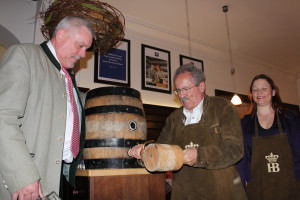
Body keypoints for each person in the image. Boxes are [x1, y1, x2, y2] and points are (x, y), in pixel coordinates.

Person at [0, 16, 95, 200]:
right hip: (26, 180)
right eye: (80, 46)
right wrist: (23, 176)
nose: (84, 54)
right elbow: (3, 116)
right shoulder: (24, 55)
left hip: (59, 178)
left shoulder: (66, 76)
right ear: (61, 35)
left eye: (86, 49)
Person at [129, 63, 247, 200]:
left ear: (202, 86)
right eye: (178, 91)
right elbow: (161, 151)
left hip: (222, 191)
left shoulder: (222, 107)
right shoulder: (174, 118)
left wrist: (199, 155)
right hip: (185, 193)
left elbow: (234, 149)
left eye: (185, 89)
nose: (181, 95)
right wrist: (144, 152)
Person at [237, 74, 300, 199]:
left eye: (264, 88)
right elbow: (242, 157)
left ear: (273, 91)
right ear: (252, 94)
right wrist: (243, 182)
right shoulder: (245, 123)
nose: (259, 92)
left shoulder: (289, 119)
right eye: (255, 89)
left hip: (290, 186)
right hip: (258, 188)